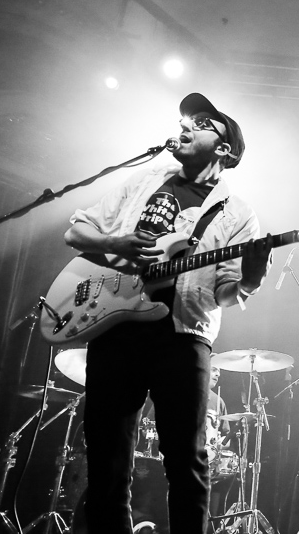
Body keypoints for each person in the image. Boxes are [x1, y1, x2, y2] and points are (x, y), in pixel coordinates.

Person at [66, 93, 271, 534]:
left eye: (203, 123)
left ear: (225, 150)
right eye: (188, 119)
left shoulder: (238, 213)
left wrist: (251, 278)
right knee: (106, 451)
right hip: (116, 323)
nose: (188, 125)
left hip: (183, 335)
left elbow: (227, 293)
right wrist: (114, 244)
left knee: (186, 458)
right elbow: (75, 229)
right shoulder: (144, 180)